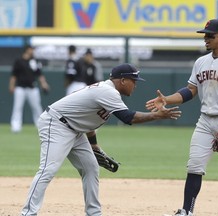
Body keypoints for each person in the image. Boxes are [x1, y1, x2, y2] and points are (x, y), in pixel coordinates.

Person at [20, 63, 181, 216]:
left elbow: (87, 119)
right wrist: (157, 115)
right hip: (55, 124)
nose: (135, 85)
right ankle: (28, 213)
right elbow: (127, 118)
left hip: (74, 129)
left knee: (91, 168)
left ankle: (94, 213)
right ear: (123, 80)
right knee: (48, 169)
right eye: (133, 81)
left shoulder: (108, 92)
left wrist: (94, 145)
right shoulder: (107, 92)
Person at [146, 19, 218, 216]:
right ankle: (187, 211)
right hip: (205, 120)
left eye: (210, 35)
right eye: (205, 35)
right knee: (194, 165)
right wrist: (167, 100)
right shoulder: (201, 62)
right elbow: (190, 90)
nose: (205, 38)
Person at [9, 45, 50, 133]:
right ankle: (16, 126)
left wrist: (44, 84)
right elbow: (14, 75)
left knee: (37, 107)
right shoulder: (19, 61)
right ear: (27, 50)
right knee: (17, 107)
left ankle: (40, 126)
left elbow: (39, 74)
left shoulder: (34, 61)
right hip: (20, 87)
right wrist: (11, 86)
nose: (33, 51)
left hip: (32, 87)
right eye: (32, 49)